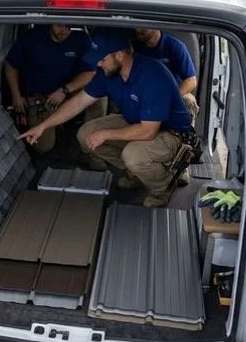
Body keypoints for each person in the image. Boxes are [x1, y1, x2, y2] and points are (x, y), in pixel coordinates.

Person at [18, 29, 194, 208]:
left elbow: (148, 132)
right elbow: (79, 102)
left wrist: (105, 134)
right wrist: (43, 126)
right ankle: (136, 172)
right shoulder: (108, 74)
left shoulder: (153, 75)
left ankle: (163, 187)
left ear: (119, 55)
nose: (99, 64)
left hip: (170, 134)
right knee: (85, 134)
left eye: (102, 59)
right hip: (137, 122)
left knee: (132, 154)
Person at [5, 24, 107, 153]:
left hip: (68, 92)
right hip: (42, 98)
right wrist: (16, 95)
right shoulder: (32, 37)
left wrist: (64, 90)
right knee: (44, 146)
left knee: (99, 94)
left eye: (69, 27)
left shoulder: (81, 39)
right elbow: (10, 65)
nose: (64, 31)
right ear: (50, 23)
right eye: (59, 26)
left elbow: (90, 73)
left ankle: (92, 148)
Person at [132, 29, 199, 126]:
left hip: (170, 93)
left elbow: (191, 80)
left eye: (142, 25)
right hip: (143, 93)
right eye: (136, 26)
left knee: (189, 100)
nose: (138, 30)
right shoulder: (134, 47)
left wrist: (170, 98)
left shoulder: (175, 46)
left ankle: (185, 136)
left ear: (154, 25)